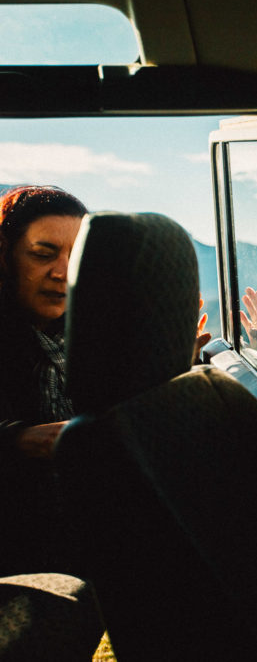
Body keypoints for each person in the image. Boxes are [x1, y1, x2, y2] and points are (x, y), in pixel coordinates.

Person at [0, 185, 87, 576]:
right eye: (43, 254)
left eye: (76, 256)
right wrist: (16, 441)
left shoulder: (96, 335)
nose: (62, 272)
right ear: (4, 256)